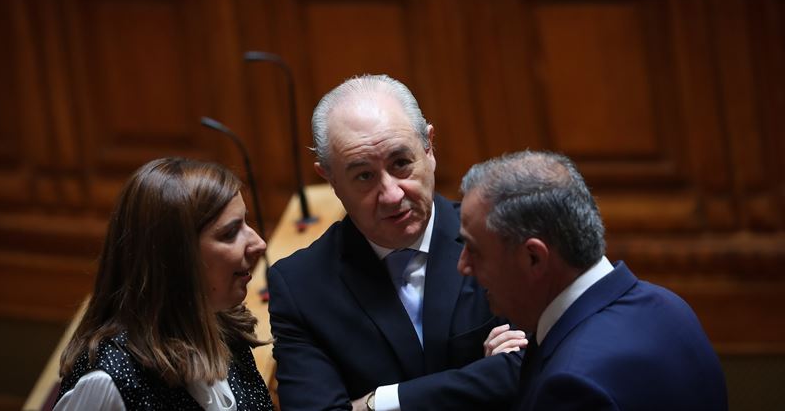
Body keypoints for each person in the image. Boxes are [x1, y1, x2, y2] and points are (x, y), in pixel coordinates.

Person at [267, 75, 524, 411]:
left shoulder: (501, 236)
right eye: (364, 176)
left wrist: (377, 403)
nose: (391, 195)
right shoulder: (300, 286)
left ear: (429, 147)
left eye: (401, 163)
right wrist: (485, 376)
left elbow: (535, 368)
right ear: (329, 179)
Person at [457, 150, 728, 411]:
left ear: (534, 258)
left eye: (474, 250)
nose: (463, 266)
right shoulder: (668, 306)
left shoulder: (572, 386)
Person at [55, 157, 274, 411]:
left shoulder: (223, 326)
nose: (259, 243)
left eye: (246, 222)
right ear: (175, 258)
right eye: (229, 233)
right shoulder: (111, 381)